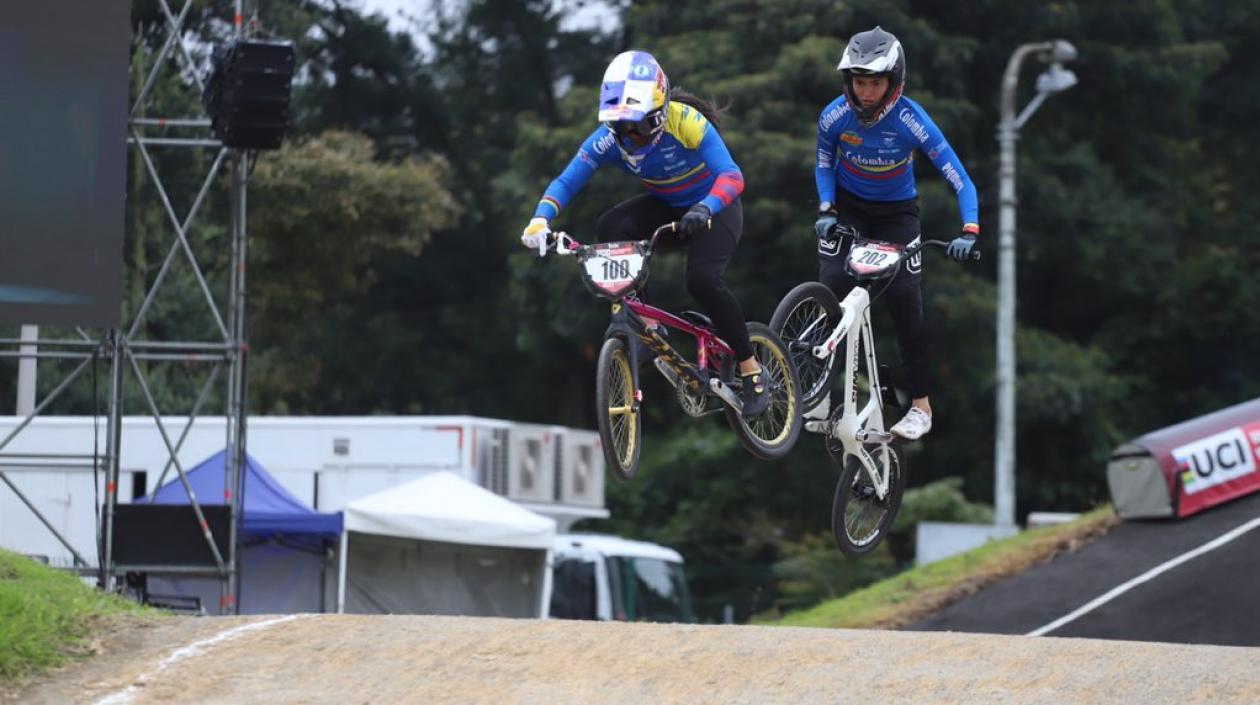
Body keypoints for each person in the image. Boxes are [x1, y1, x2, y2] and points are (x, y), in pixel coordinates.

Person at [520, 50, 769, 418]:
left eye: (637, 126)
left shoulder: (687, 122)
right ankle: (649, 327)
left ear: (660, 114)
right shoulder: (609, 138)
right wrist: (540, 220)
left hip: (715, 209)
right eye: (620, 126)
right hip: (669, 207)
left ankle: (751, 368)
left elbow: (732, 177)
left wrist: (705, 208)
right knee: (610, 227)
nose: (630, 137)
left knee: (702, 280)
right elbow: (567, 180)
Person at [812, 26, 980, 440]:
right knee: (830, 286)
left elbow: (960, 179)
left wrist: (969, 230)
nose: (866, 93)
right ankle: (816, 392)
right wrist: (826, 208)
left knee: (906, 302)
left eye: (875, 83)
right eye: (859, 83)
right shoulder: (833, 116)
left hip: (897, 215)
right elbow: (824, 162)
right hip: (848, 209)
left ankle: (920, 407)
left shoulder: (912, 120)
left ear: (894, 82)